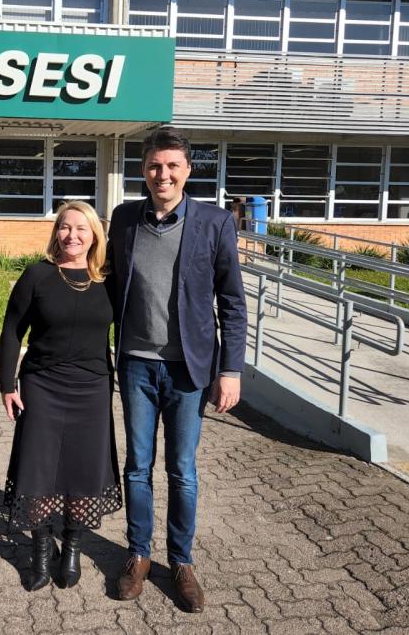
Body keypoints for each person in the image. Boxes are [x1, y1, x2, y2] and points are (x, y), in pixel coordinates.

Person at [107, 125, 246, 613]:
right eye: (154, 166)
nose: (162, 174)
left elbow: (232, 302)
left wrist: (231, 370)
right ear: (143, 170)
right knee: (137, 467)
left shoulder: (214, 223)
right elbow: (108, 284)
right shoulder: (124, 218)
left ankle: (181, 561)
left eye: (171, 166)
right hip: (136, 366)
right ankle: (139, 555)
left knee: (182, 470)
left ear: (187, 171)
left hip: (189, 370)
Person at [0, 201, 122, 592]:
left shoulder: (108, 280)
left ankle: (71, 547)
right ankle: (39, 550)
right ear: (56, 233)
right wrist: (7, 385)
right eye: (65, 228)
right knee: (38, 468)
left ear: (94, 236)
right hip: (43, 386)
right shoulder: (37, 275)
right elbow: (12, 331)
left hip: (92, 388)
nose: (72, 235)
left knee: (82, 469)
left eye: (81, 228)